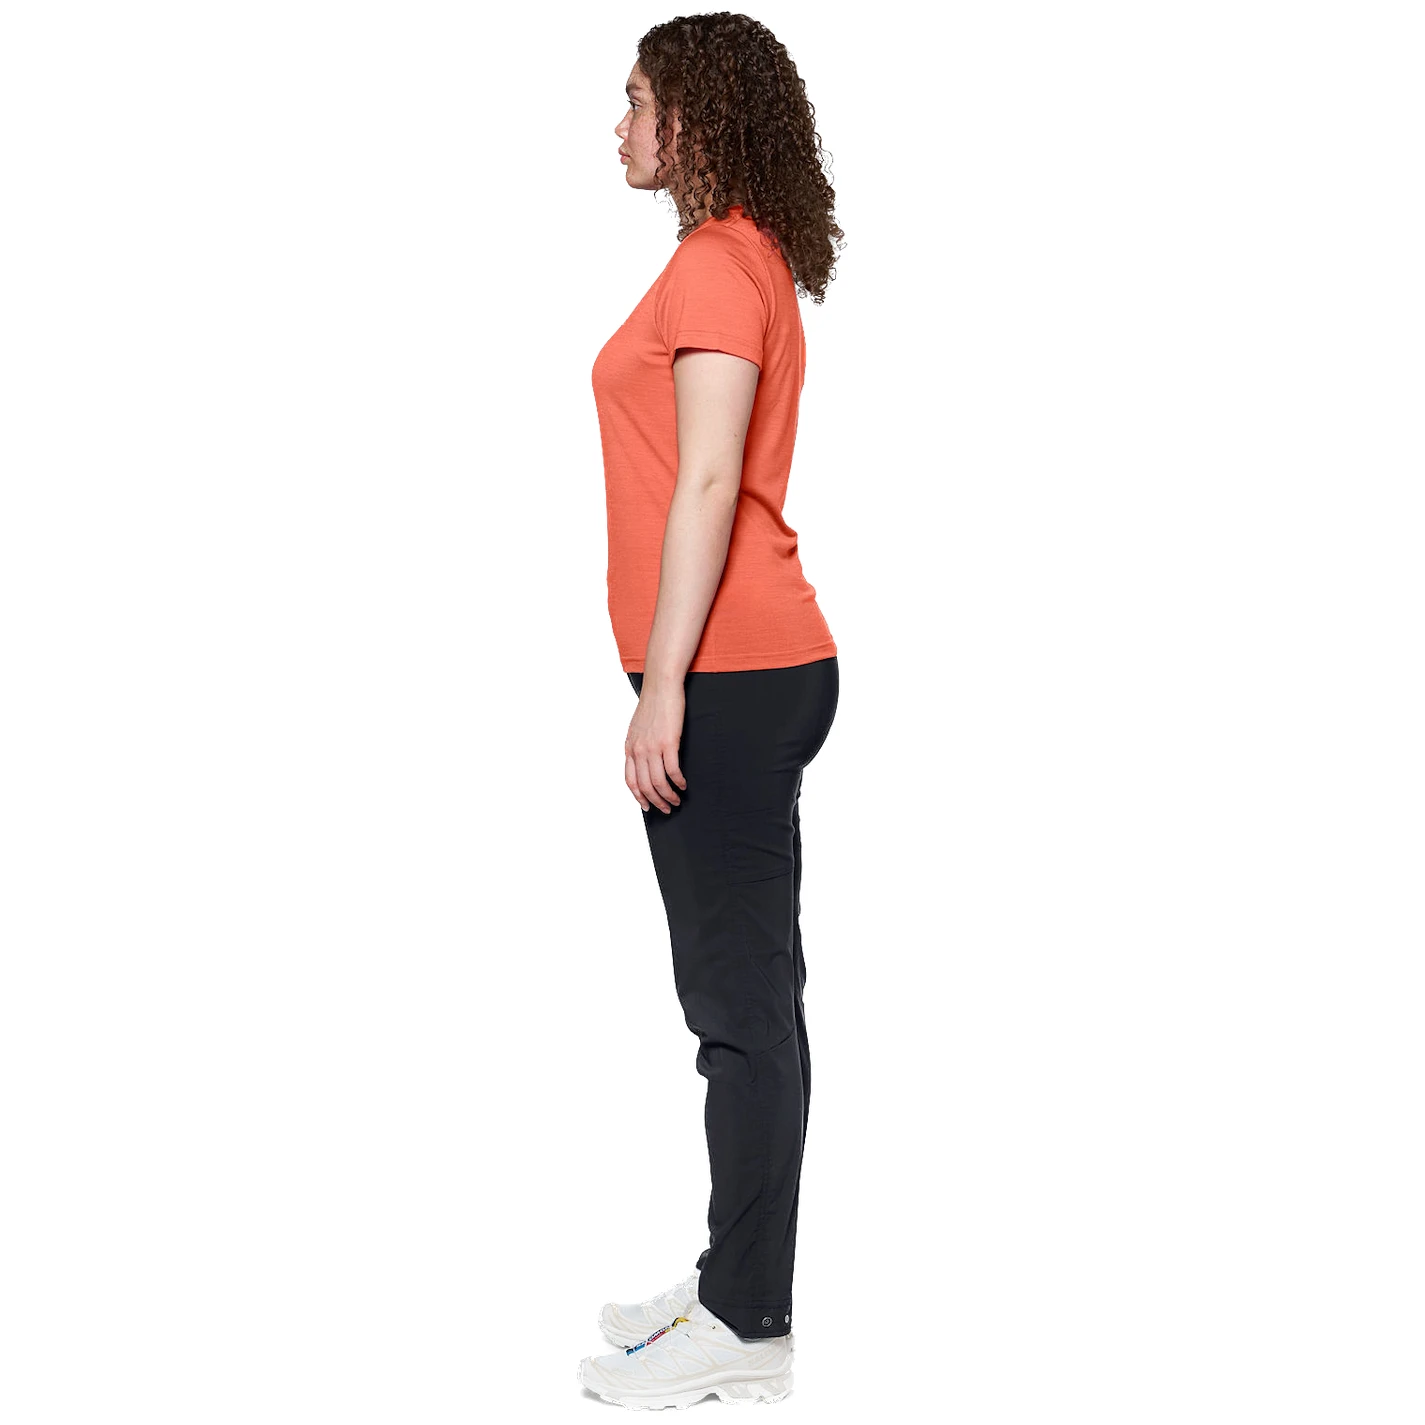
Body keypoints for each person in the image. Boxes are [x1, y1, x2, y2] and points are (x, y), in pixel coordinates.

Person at [578, 14, 845, 1410]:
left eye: (634, 102)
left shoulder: (716, 266)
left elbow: (704, 483)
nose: (617, 127)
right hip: (730, 671)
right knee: (745, 1000)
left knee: (738, 1010)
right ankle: (737, 1281)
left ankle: (746, 1323)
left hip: (728, 678)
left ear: (690, 116)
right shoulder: (733, 258)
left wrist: (665, 690)